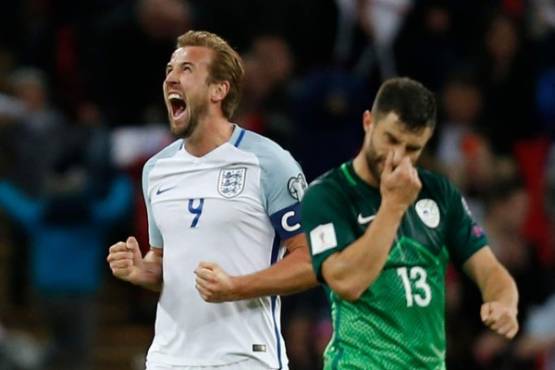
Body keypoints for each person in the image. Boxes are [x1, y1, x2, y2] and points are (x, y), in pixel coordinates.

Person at [106, 30, 317, 370]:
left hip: (244, 358)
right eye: (169, 70)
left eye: (187, 69)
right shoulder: (156, 170)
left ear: (220, 89)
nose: (171, 78)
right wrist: (141, 269)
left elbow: (310, 260)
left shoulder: (270, 163)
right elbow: (164, 263)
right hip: (168, 359)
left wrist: (236, 287)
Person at [301, 77, 519, 369]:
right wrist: (393, 207)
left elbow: (489, 269)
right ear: (368, 122)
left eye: (412, 148)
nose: (397, 156)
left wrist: (504, 302)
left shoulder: (440, 193)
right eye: (390, 139)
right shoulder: (329, 194)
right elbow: (346, 282)